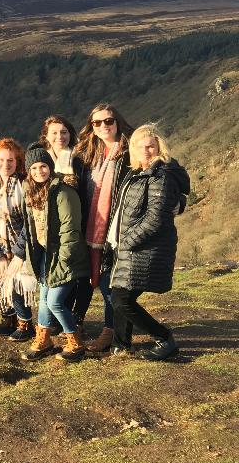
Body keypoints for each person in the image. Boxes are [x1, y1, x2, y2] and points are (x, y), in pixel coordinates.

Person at [108, 125, 189, 360]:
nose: (146, 150)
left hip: (143, 248)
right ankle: (121, 345)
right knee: (123, 296)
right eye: (140, 146)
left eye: (151, 145)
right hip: (130, 246)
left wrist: (127, 242)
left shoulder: (159, 175)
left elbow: (156, 219)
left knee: (121, 299)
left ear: (159, 147)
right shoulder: (138, 172)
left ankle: (164, 338)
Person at [19, 144, 90, 362]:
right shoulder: (32, 193)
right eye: (34, 168)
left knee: (55, 302)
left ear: (50, 167)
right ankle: (44, 341)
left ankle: (75, 343)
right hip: (44, 256)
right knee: (44, 300)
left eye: (43, 166)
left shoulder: (64, 193)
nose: (39, 171)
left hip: (64, 257)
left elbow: (71, 229)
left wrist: (65, 259)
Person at [72, 103, 134, 353]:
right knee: (90, 281)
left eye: (108, 121)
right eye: (97, 123)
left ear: (117, 122)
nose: (103, 126)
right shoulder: (87, 155)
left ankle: (111, 332)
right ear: (91, 126)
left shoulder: (130, 152)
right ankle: (80, 324)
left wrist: (178, 200)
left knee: (112, 285)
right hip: (91, 229)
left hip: (117, 230)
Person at [0, 138, 35, 341]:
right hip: (2, 246)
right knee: (0, 282)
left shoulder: (24, 185)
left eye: (10, 160)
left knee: (18, 284)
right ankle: (9, 320)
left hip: (23, 246)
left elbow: (30, 223)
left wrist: (19, 252)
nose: (5, 164)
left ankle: (25, 323)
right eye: (1, 160)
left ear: (17, 162)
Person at [38, 115, 90, 328]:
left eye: (64, 132)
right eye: (54, 133)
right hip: (47, 229)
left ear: (71, 134)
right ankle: (57, 321)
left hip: (75, 223)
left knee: (77, 274)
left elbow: (86, 193)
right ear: (46, 136)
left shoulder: (78, 160)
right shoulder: (39, 161)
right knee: (52, 275)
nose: (60, 136)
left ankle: (76, 317)